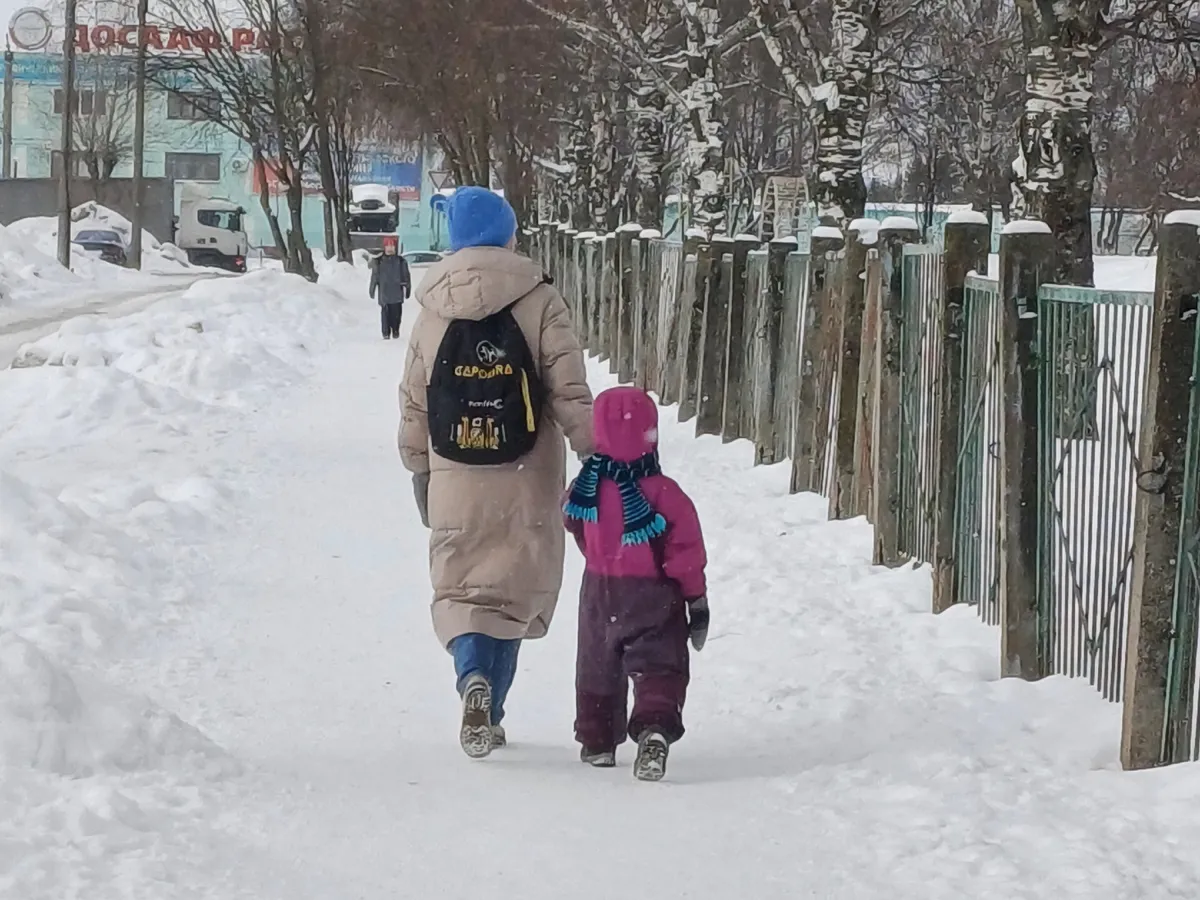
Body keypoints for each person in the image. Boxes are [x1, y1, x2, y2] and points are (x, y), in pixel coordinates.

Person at [397, 186, 594, 759]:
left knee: (464, 590)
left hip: (454, 469)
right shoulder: (540, 298)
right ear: (509, 234)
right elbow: (568, 388)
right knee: (511, 592)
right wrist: (598, 451)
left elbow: (413, 399)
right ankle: (493, 705)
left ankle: (472, 678)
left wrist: (418, 467)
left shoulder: (433, 308)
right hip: (525, 469)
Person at [563, 386, 709, 782]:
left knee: (598, 665)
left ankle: (597, 740)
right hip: (654, 595)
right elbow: (686, 552)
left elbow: (572, 520)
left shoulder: (587, 485)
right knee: (658, 667)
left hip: (600, 591)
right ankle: (654, 728)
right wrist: (695, 599)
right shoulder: (666, 494)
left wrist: (598, 553)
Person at [371, 236, 411, 340]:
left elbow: (406, 276)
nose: (390, 248)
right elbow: (375, 276)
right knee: (385, 314)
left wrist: (407, 289)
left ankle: (395, 330)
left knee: (396, 314)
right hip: (384, 292)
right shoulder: (379, 261)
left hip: (397, 293)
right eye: (388, 246)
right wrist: (372, 289)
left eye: (392, 246)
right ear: (384, 247)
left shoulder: (401, 261)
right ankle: (386, 333)